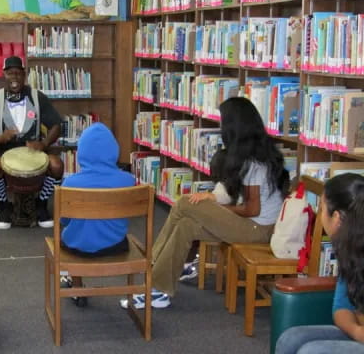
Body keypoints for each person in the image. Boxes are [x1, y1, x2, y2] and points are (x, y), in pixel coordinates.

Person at [121, 97, 290, 309]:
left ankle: (152, 259)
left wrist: (217, 209)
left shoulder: (254, 163)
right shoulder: (254, 153)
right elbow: (235, 193)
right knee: (186, 226)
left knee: (184, 203)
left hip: (258, 229)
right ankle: (159, 290)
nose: (220, 128)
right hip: (254, 223)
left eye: (223, 123)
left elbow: (251, 209)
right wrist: (214, 202)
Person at [275, 173, 364, 354]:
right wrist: (357, 331)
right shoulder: (349, 252)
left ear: (337, 218)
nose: (318, 214)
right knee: (290, 339)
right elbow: (341, 308)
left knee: (312, 351)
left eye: (321, 208)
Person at [0, 56, 63, 229]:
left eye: (18, 73)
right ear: (4, 75)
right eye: (10, 73)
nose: (14, 77)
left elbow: (56, 125)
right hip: (2, 150)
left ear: (24, 75)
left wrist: (44, 144)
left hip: (33, 150)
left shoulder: (37, 98)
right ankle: (3, 206)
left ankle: (42, 203)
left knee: (57, 166)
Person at [59, 123, 135, 306]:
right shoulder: (128, 180)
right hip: (116, 244)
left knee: (67, 235)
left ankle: (76, 286)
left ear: (81, 153)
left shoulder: (70, 183)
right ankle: (132, 294)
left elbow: (64, 220)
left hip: (76, 247)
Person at [180, 148, 243, 281]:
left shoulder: (222, 187)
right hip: (237, 224)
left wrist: (207, 197)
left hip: (224, 228)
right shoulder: (239, 184)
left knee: (190, 225)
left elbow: (216, 200)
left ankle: (186, 263)